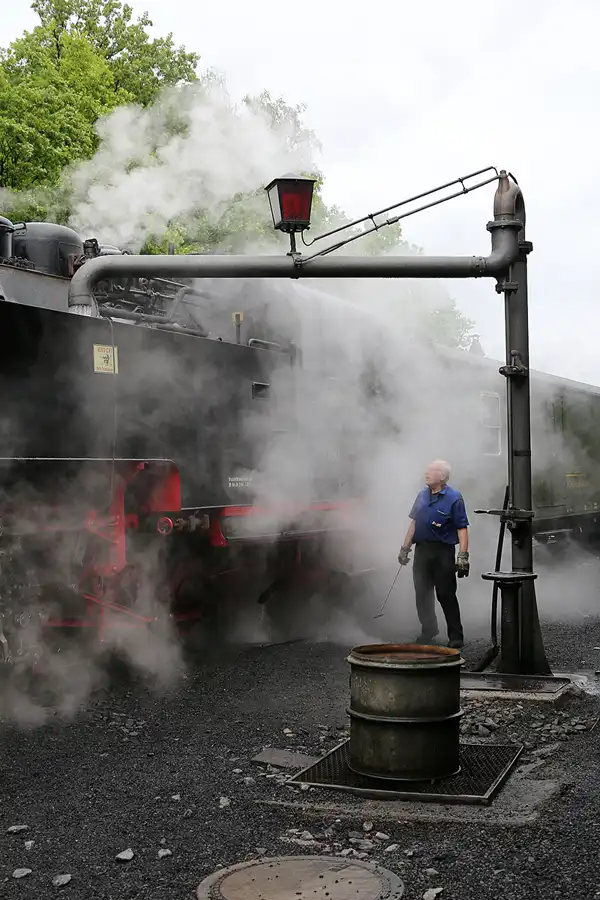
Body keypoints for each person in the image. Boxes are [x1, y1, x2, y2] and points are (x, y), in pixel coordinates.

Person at [398, 460, 470, 649]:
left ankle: (456, 636)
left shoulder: (454, 498)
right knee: (422, 593)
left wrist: (463, 555)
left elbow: (462, 528)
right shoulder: (422, 495)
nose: (426, 473)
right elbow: (414, 523)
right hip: (422, 550)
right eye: (427, 470)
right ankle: (429, 629)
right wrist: (405, 548)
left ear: (443, 476)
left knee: (446, 594)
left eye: (432, 471)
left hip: (443, 552)